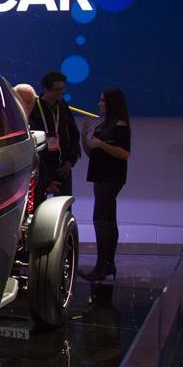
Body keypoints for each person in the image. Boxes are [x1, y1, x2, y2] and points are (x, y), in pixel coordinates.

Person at [80, 88, 131, 281]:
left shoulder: (119, 125)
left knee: (102, 221)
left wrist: (101, 144)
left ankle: (102, 266)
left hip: (110, 178)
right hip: (100, 177)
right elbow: (92, 154)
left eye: (102, 100)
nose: (99, 103)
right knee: (106, 220)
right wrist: (84, 138)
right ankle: (107, 264)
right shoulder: (105, 124)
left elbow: (124, 153)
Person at [27, 71, 81, 200]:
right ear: (46, 89)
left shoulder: (63, 107)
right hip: (42, 168)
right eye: (57, 89)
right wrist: (44, 175)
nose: (61, 92)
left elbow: (74, 134)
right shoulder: (34, 108)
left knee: (65, 205)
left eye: (63, 89)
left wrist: (70, 161)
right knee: (38, 205)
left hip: (63, 167)